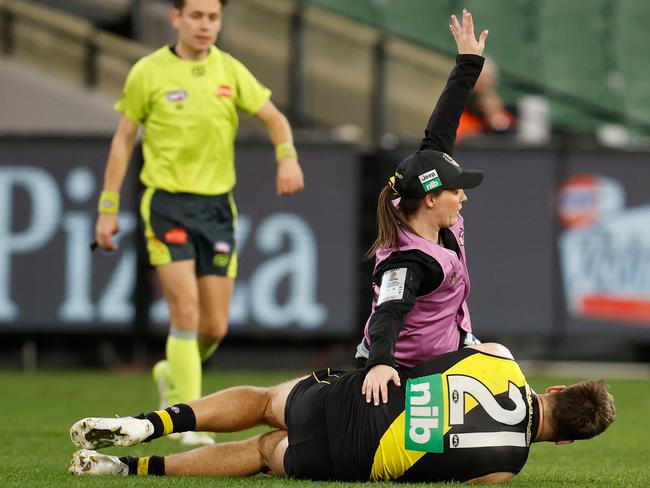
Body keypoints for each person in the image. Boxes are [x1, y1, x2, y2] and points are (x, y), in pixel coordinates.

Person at [93, 0, 304, 445]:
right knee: (185, 313)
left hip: (216, 210)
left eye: (213, 17)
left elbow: (275, 119)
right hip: (167, 205)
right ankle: (184, 421)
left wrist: (287, 158)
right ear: (177, 19)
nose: (205, 25)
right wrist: (107, 208)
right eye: (197, 16)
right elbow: (122, 141)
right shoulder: (148, 72)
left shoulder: (229, 70)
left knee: (213, 328)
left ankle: (171, 369)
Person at [67, 342, 616, 483]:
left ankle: (149, 424)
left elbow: (427, 353)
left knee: (263, 402)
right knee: (264, 453)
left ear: (557, 388)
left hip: (361, 398)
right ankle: (125, 471)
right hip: (349, 456)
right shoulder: (504, 471)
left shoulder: (500, 358)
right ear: (565, 441)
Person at [356, 10, 485, 406]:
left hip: (448, 348)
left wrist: (468, 65)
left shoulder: (420, 188)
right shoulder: (408, 260)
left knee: (503, 363)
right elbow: (388, 313)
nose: (463, 197)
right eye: (456, 191)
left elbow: (441, 127)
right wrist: (380, 363)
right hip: (404, 372)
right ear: (431, 199)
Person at [456, 57, 516, 142]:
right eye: (479, 83)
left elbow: (513, 139)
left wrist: (494, 119)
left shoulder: (500, 113)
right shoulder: (457, 114)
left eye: (488, 85)